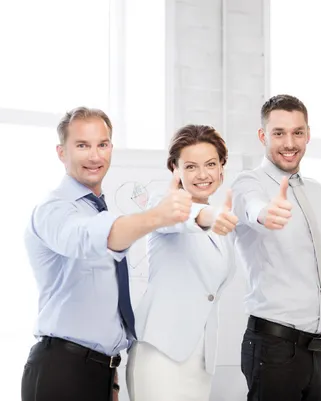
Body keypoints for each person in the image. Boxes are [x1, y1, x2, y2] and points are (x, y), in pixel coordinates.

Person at [22, 107, 195, 401]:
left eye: (102, 144)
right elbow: (88, 236)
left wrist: (110, 376)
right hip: (62, 371)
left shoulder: (98, 209)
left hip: (99, 372)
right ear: (61, 152)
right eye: (82, 145)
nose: (94, 156)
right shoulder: (54, 209)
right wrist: (158, 216)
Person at [231, 94, 321, 401]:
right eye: (279, 133)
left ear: (308, 134)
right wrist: (267, 213)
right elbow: (253, 207)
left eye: (297, 132)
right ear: (262, 136)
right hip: (273, 346)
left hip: (316, 350)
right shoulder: (247, 183)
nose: (289, 143)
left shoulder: (316, 192)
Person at [125, 125, 238, 400]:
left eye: (210, 164)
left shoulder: (223, 228)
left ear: (222, 168)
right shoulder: (161, 204)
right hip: (160, 355)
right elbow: (185, 217)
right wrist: (209, 215)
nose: (202, 174)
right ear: (175, 169)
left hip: (200, 359)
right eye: (190, 166)